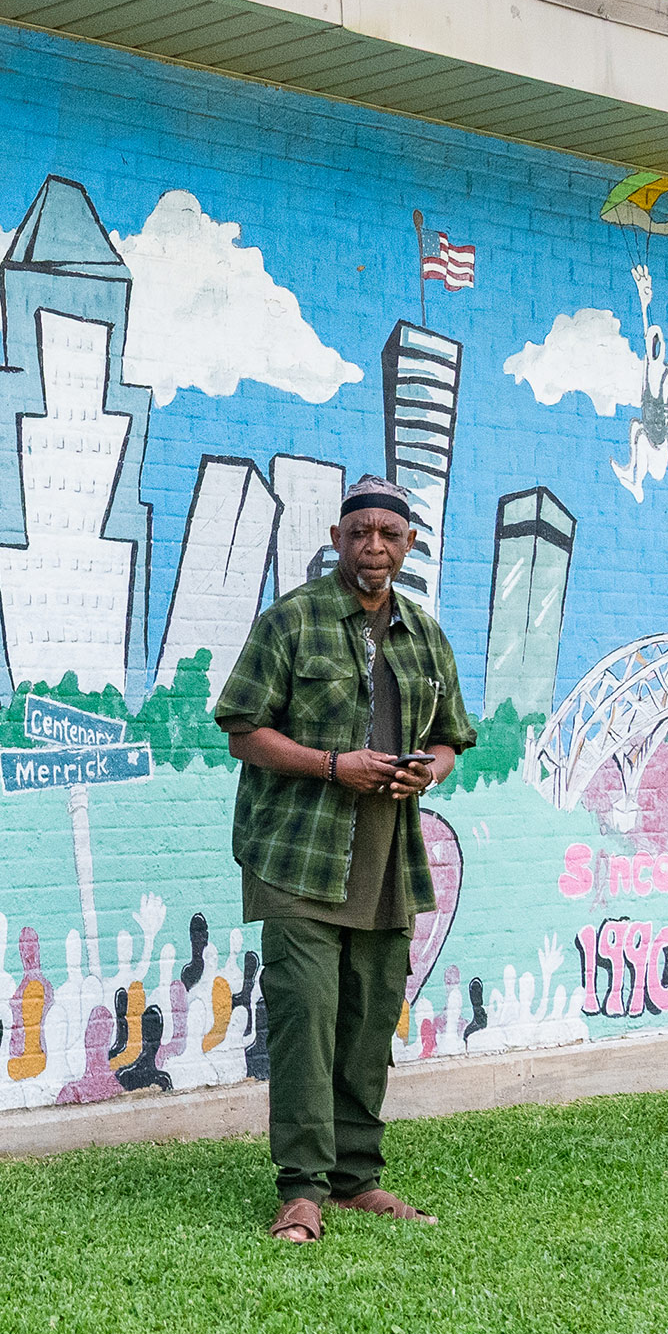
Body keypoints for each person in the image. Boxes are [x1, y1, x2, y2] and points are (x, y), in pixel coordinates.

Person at [211, 477, 476, 1242]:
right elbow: (241, 729)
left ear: (409, 545)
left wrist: (429, 768)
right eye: (360, 532)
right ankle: (301, 1189)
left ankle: (357, 1178)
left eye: (389, 536)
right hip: (297, 858)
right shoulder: (291, 622)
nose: (374, 547)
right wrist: (335, 766)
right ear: (336, 537)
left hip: (388, 863)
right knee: (307, 1018)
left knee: (365, 1026)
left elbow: (451, 736)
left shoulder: (423, 635)